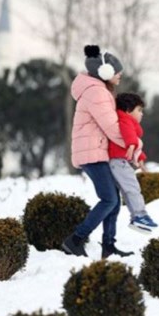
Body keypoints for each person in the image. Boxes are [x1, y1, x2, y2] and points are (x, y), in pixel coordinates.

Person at [61, 44, 134, 259]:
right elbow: (112, 127)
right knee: (109, 199)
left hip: (95, 152)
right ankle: (75, 240)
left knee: (113, 198)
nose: (120, 75)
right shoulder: (97, 93)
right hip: (92, 154)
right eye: (117, 71)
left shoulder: (97, 90)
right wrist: (132, 145)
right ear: (105, 73)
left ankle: (108, 245)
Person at [108, 93, 158, 234]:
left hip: (119, 161)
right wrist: (130, 145)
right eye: (139, 110)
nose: (142, 114)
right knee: (132, 188)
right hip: (118, 161)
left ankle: (137, 217)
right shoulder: (125, 120)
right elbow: (129, 134)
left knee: (129, 189)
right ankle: (139, 215)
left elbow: (135, 143)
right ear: (128, 110)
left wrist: (140, 159)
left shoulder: (126, 120)